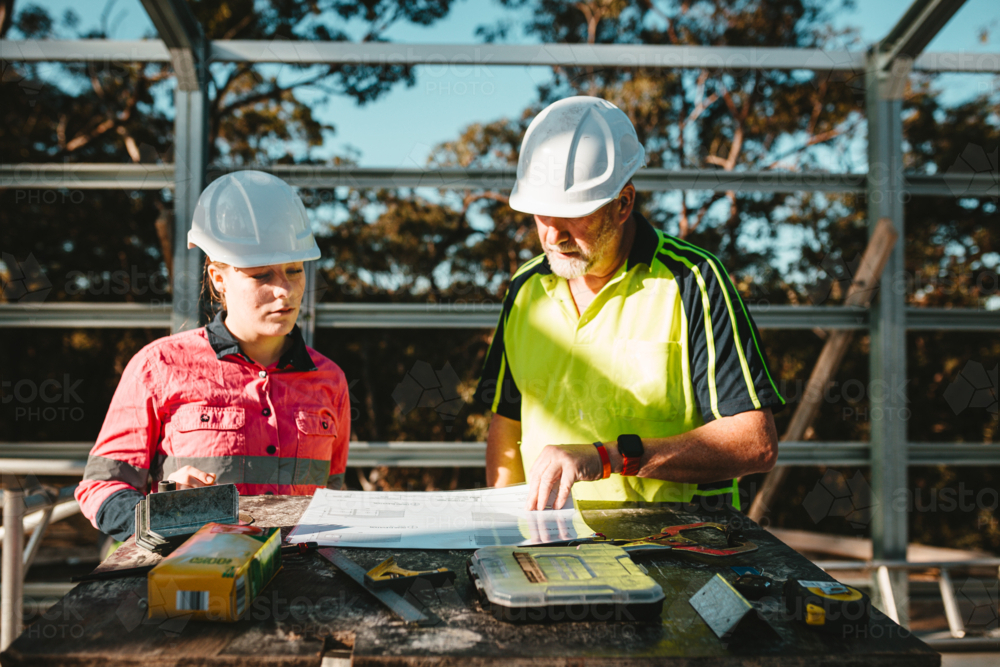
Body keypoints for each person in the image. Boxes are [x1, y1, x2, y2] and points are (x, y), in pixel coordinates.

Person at [473, 97, 786, 512]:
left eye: (572, 216)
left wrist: (608, 458)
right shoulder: (524, 287)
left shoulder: (693, 279)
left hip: (675, 546)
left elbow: (755, 443)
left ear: (623, 203)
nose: (552, 236)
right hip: (549, 546)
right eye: (540, 216)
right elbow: (507, 422)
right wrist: (502, 525)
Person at [75, 170, 351, 541]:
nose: (283, 291)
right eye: (260, 275)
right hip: (197, 578)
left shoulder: (329, 379)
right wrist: (162, 510)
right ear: (219, 278)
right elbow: (100, 489)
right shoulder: (158, 367)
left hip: (303, 584)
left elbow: (333, 497)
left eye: (294, 271)